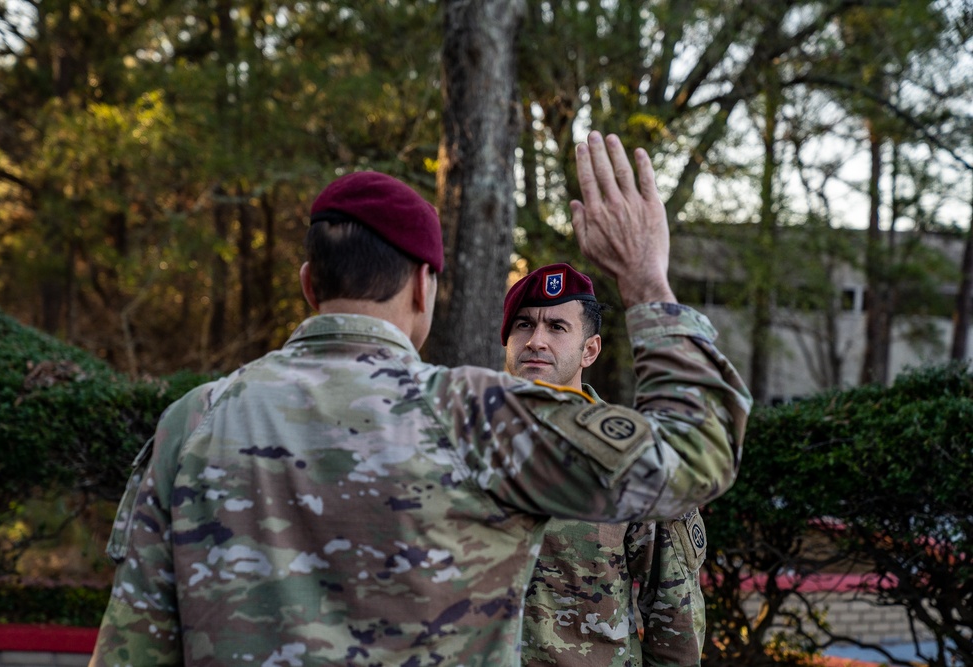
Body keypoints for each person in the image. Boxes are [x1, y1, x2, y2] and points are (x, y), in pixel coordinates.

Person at [89, 131, 751, 666]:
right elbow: (698, 454)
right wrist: (645, 282)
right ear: (423, 288)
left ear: (307, 283)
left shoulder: (193, 422)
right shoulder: (478, 418)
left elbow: (130, 645)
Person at [502, 262, 707, 666]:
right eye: (524, 325)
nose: (536, 341)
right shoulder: (461, 444)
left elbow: (675, 615)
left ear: (590, 349)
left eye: (557, 328)